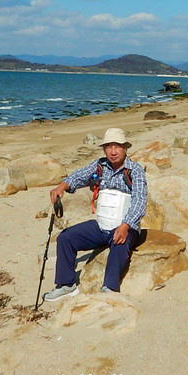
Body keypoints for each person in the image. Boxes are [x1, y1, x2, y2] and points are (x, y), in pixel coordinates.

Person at [42, 127, 147, 301]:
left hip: (125, 227)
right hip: (101, 226)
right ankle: (67, 285)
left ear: (125, 148)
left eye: (117, 146)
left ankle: (109, 288)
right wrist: (62, 186)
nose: (113, 151)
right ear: (104, 149)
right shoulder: (100, 165)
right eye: (108, 147)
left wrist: (125, 226)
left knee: (119, 245)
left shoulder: (134, 170)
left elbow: (140, 201)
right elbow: (79, 176)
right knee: (65, 238)